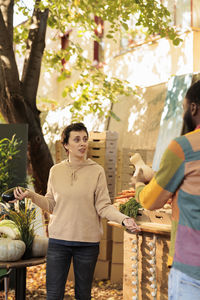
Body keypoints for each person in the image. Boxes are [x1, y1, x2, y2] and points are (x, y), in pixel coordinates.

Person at [13, 122, 140, 300]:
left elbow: (103, 206)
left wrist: (124, 219)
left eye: (85, 139)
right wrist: (31, 195)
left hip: (87, 244)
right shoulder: (56, 171)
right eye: (77, 139)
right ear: (66, 145)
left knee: (83, 295)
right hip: (58, 243)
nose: (83, 143)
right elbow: (51, 204)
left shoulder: (97, 171)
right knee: (54, 295)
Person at [133, 80, 200, 300]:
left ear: (193, 108)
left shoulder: (184, 147)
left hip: (191, 268)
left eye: (183, 108)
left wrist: (139, 187)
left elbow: (151, 201)